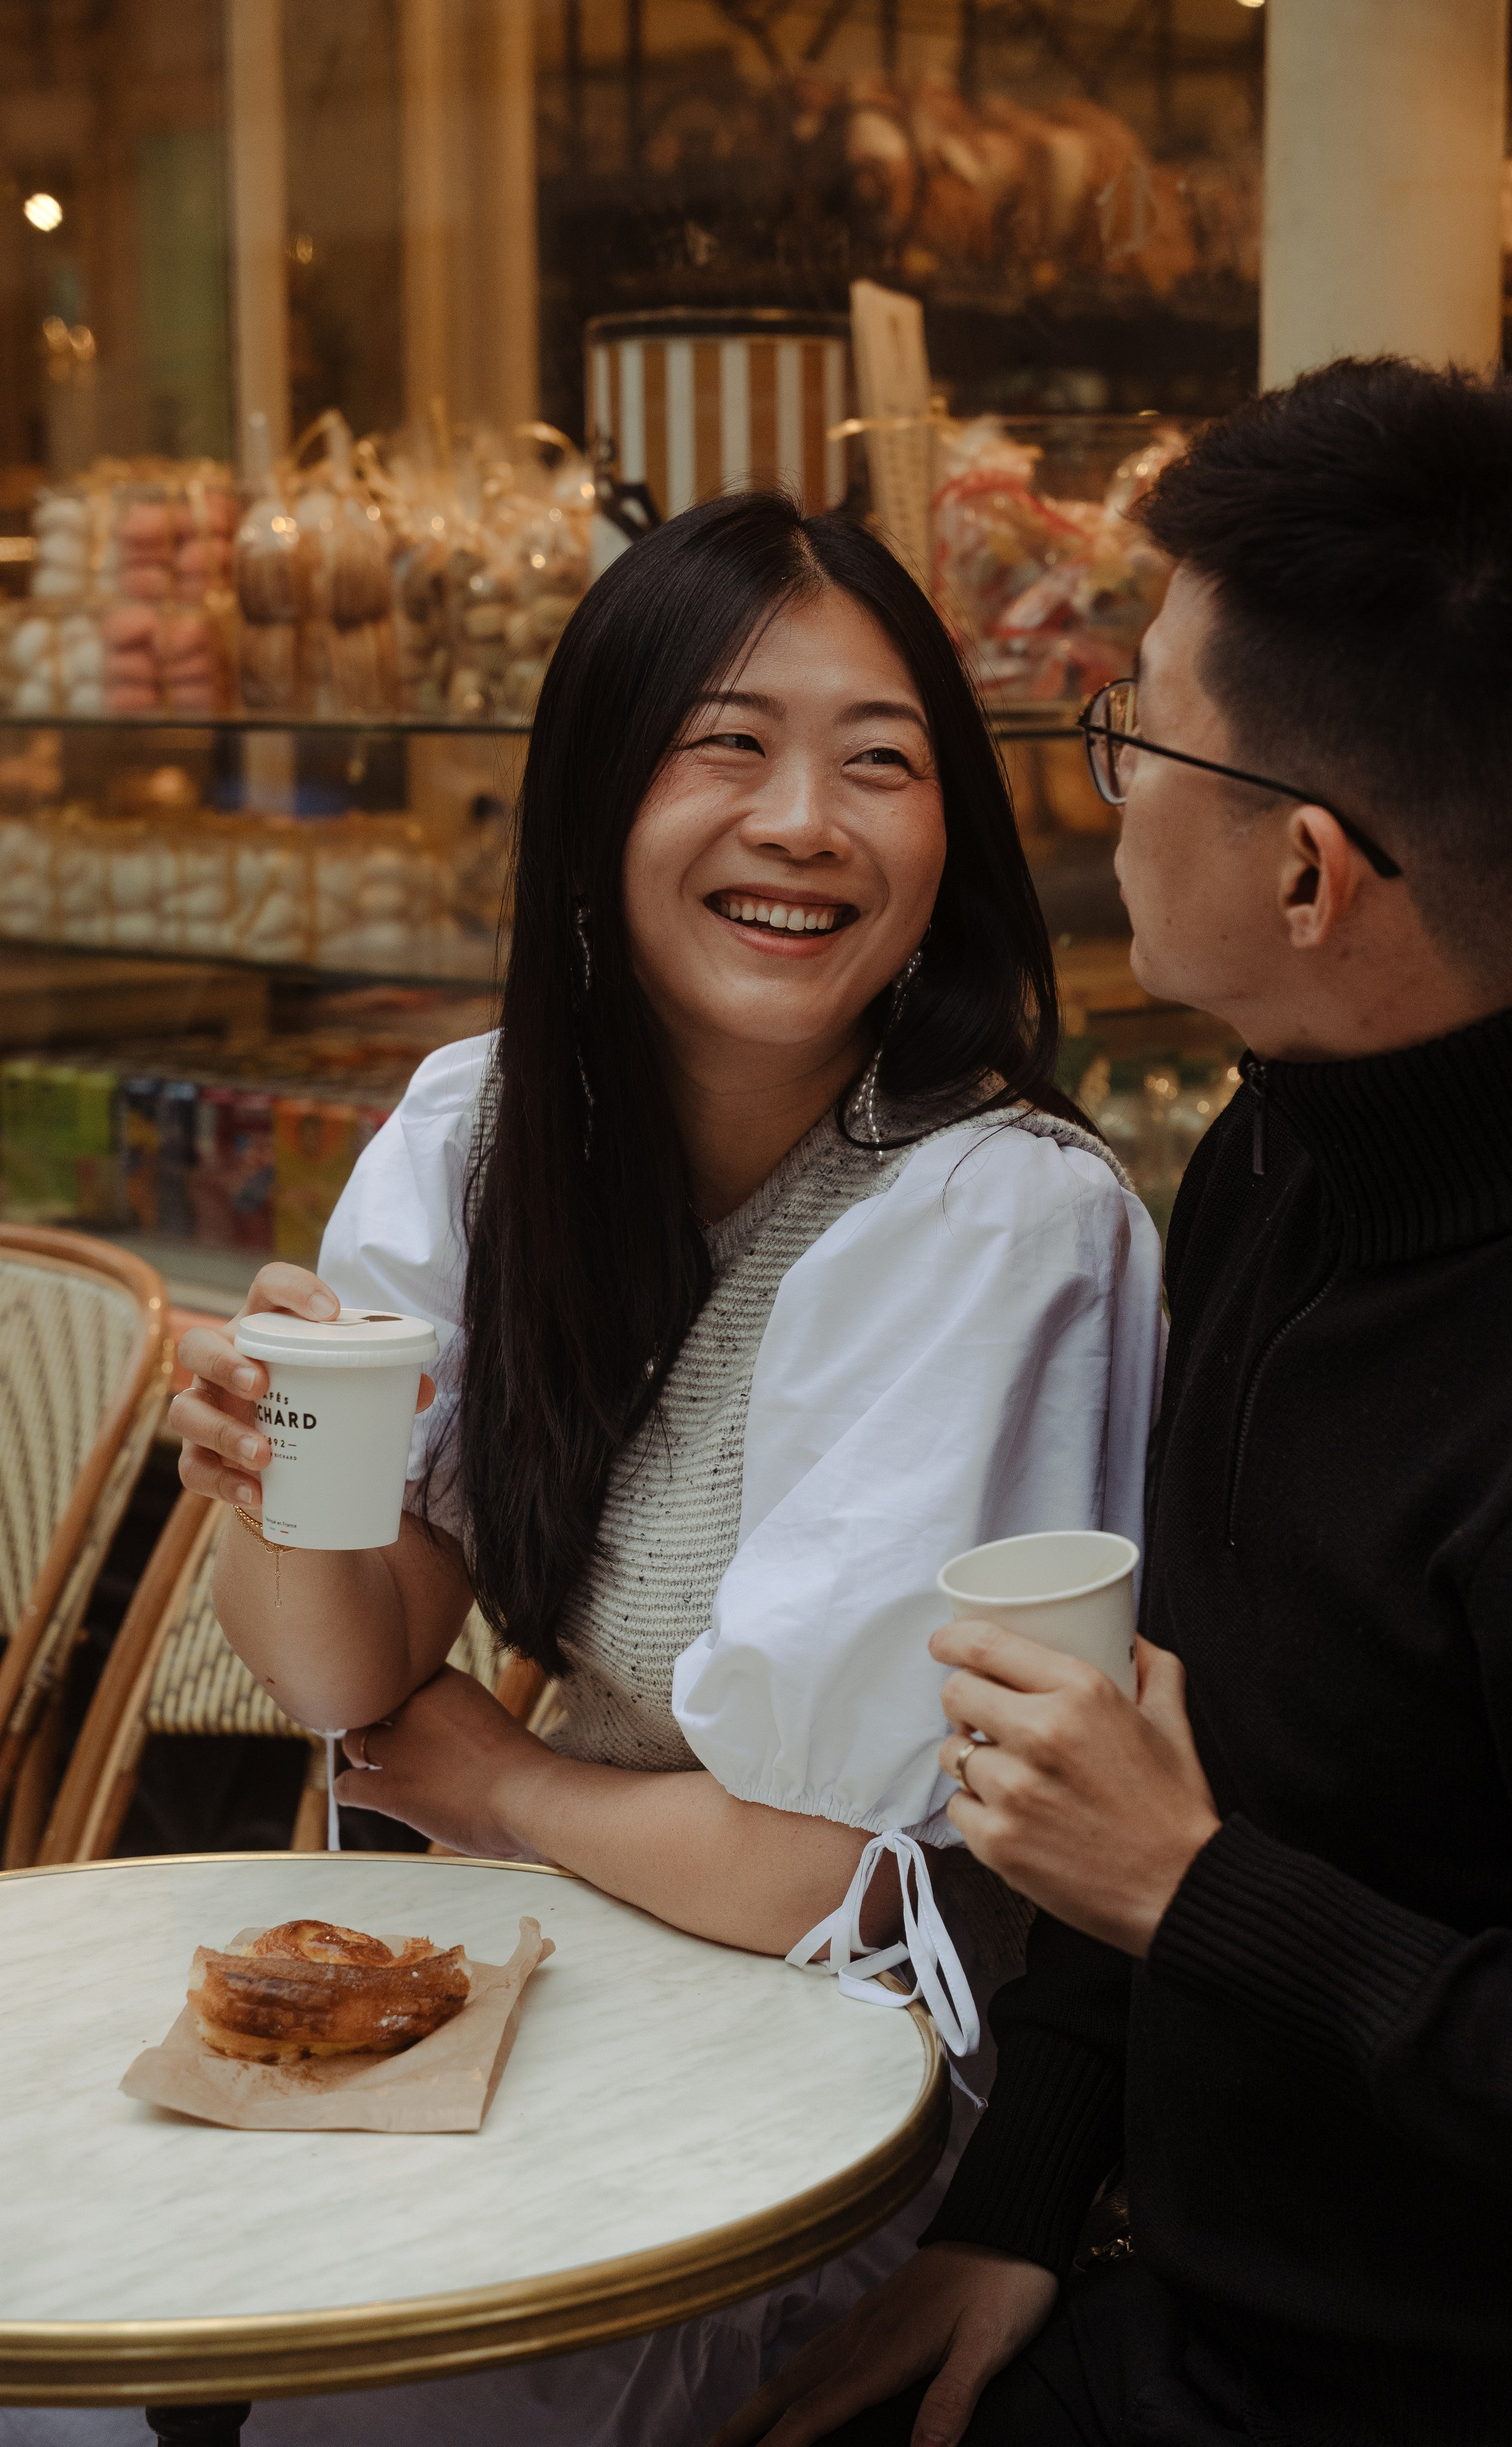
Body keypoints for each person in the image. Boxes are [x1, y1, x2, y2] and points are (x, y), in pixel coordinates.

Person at [159, 493, 1163, 2446]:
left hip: (851, 2070)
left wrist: (500, 1780)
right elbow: (352, 1677)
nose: (805, 821)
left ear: (949, 836)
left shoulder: (996, 1217)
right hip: (570, 1961)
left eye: (879, 763)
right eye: (730, 745)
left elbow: (833, 1878)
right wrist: (279, 1483)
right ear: (596, 800)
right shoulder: (485, 1127)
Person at [717, 359, 1512, 2447]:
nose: (1103, 782)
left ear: (1309, 876)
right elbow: (1164, 1739)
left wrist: (1193, 1888)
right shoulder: (1280, 1152)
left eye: (1137, 729)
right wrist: (1017, 2210)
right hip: (1177, 2310)